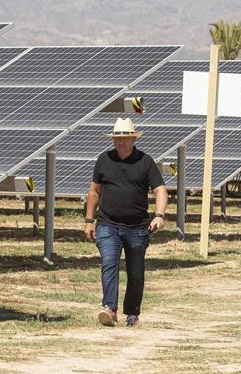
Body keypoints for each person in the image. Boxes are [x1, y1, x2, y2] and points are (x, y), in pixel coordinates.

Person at [84, 117, 168, 327]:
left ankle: (132, 313)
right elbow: (94, 191)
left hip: (138, 227)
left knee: (135, 270)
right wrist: (88, 220)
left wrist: (159, 215)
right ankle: (109, 309)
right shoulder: (104, 160)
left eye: (124, 138)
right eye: (117, 138)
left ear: (133, 139)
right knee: (109, 263)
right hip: (108, 224)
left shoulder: (145, 161)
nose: (120, 142)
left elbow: (160, 190)